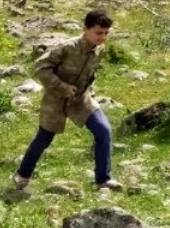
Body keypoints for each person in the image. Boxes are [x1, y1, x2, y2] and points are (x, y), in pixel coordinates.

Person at [14, 10, 121, 191]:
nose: (102, 37)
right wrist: (63, 87)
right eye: (98, 33)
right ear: (85, 29)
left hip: (82, 100)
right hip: (55, 100)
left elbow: (89, 75)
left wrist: (88, 92)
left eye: (105, 33)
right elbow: (40, 67)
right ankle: (22, 175)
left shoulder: (99, 51)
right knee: (44, 138)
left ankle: (103, 179)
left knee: (104, 131)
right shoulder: (66, 47)